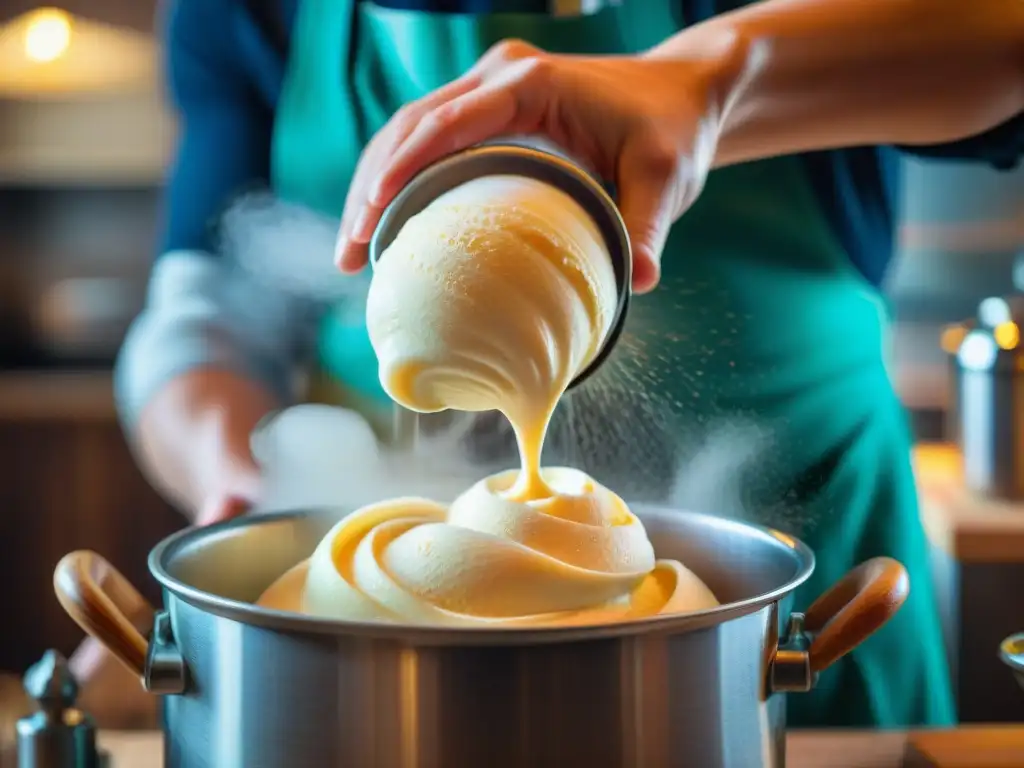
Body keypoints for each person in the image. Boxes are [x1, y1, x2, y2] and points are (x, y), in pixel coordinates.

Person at [76, 0, 1023, 729]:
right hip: (379, 664)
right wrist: (243, 482)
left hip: (795, 606)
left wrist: (711, 80)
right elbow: (207, 324)